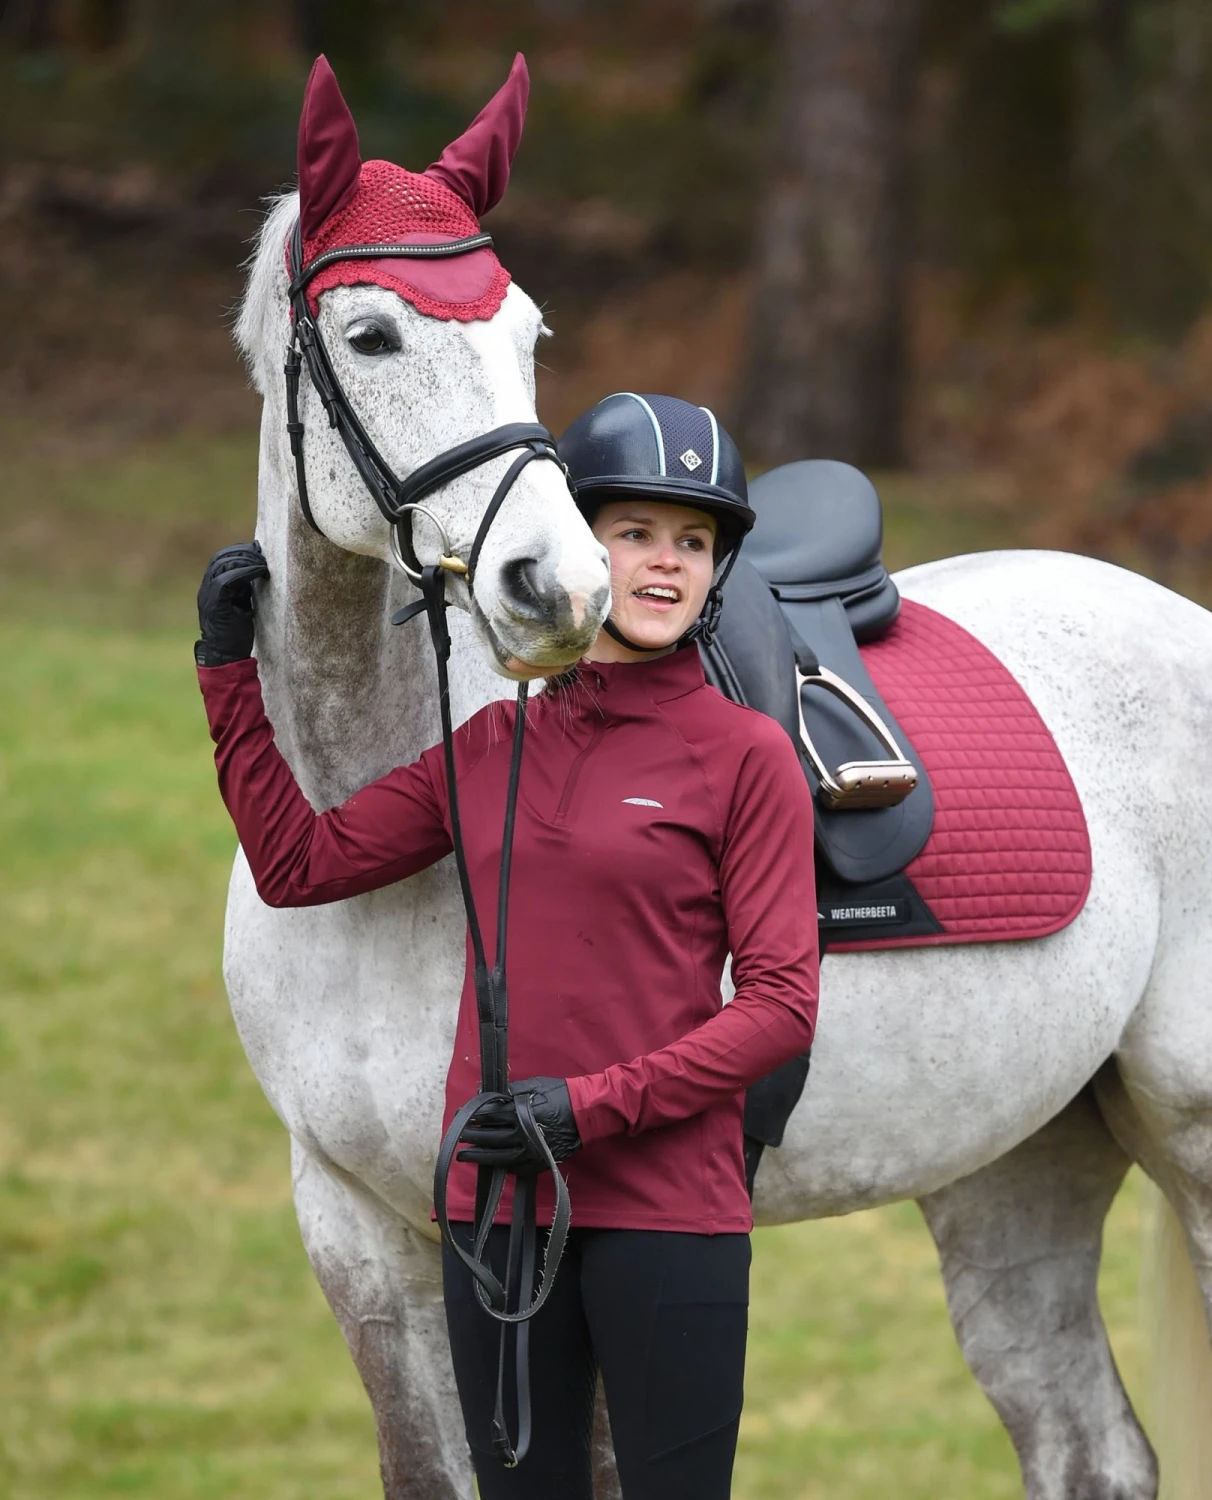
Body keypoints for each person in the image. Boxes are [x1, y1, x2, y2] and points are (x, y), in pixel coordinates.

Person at [194, 392, 819, 1500]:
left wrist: (586, 1110)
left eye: (694, 542)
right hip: (499, 1213)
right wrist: (228, 674)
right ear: (579, 543)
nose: (668, 565)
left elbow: (779, 1007)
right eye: (636, 534)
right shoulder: (493, 741)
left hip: (671, 1211)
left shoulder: (748, 756)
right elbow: (299, 866)